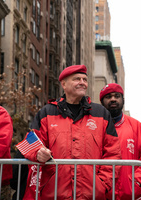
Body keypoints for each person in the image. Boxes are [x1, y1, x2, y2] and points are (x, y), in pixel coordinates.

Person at [22, 65, 122, 199]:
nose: (82, 83)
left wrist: (102, 183)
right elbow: (29, 142)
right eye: (77, 79)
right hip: (55, 193)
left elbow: (113, 153)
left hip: (92, 194)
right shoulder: (47, 112)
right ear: (64, 84)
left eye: (85, 80)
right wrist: (38, 152)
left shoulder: (101, 113)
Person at [100, 83, 141, 200]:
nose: (113, 99)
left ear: (123, 100)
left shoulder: (136, 126)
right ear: (102, 102)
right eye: (108, 97)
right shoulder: (95, 128)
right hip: (104, 195)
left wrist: (137, 183)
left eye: (116, 96)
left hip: (135, 195)